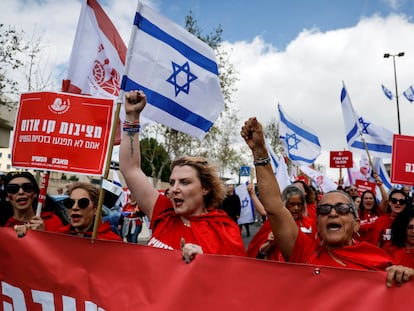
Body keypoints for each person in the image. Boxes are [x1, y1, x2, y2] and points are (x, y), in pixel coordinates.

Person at [241, 117, 414, 287]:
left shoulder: (378, 259)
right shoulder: (304, 251)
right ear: (318, 224)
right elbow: (275, 207)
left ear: (356, 224)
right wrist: (260, 153)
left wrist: (403, 276)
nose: (332, 213)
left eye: (342, 208)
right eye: (324, 209)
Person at [119, 90, 246, 263]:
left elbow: (236, 280)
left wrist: (206, 261)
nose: (174, 188)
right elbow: (130, 169)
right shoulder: (163, 212)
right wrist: (132, 116)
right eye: (172, 182)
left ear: (206, 188)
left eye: (185, 182)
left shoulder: (225, 229)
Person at [247, 184, 317, 260]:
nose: (296, 208)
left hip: (303, 269)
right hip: (278, 269)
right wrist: (269, 244)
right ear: (284, 204)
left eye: (299, 204)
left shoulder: (310, 223)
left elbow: (317, 252)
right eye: (292, 204)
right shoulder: (273, 223)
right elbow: (258, 254)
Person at [0, 171, 64, 236]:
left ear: (35, 194)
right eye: (13, 189)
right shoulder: (3, 225)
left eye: (27, 187)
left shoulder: (52, 221)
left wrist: (43, 234)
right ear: (6, 197)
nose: (21, 192)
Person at [54, 182, 122, 241]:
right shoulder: (57, 236)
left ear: (95, 209)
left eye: (83, 203)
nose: (74, 207)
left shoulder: (111, 242)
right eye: (70, 203)